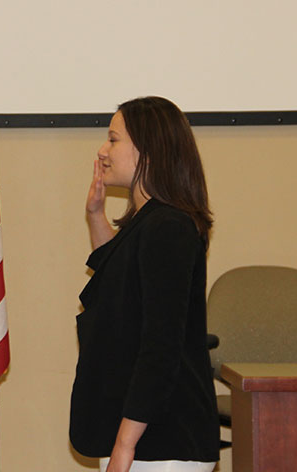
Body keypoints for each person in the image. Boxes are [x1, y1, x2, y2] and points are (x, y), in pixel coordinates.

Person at [69, 97, 220, 472]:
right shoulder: (149, 223)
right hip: (142, 436)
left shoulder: (168, 227)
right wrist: (95, 216)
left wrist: (124, 445)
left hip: (162, 440)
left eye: (113, 140)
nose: (102, 151)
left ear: (148, 151)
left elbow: (160, 347)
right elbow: (115, 281)